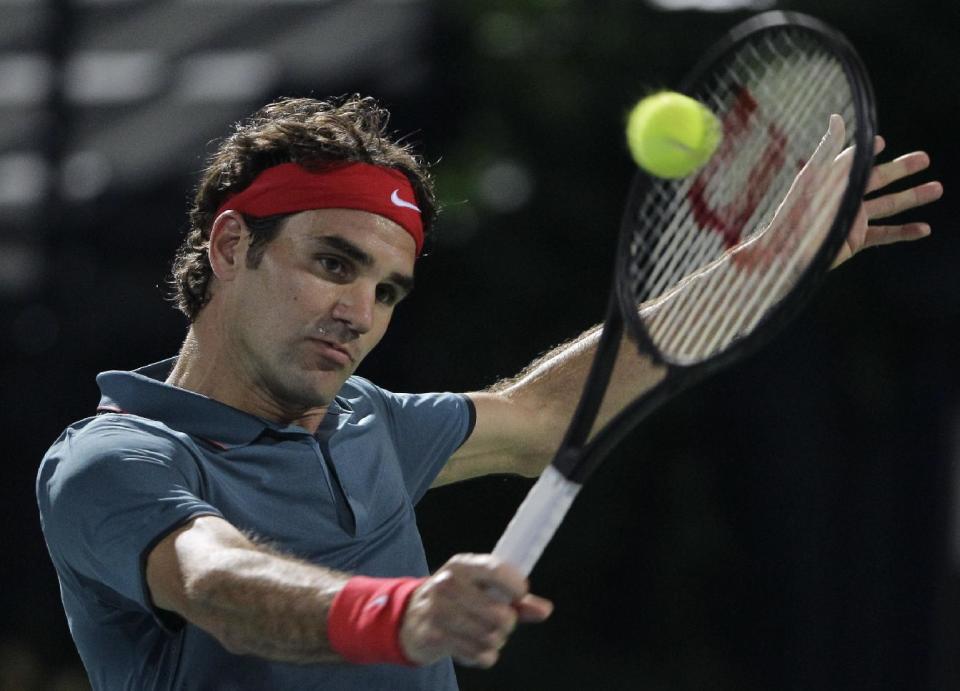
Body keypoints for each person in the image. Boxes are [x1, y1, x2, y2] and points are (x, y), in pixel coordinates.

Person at [36, 95, 942, 691]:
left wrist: (760, 267)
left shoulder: (372, 424)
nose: (359, 312)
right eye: (333, 263)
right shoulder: (117, 458)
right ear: (232, 246)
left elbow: (552, 413)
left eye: (388, 290)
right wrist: (399, 612)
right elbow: (217, 582)